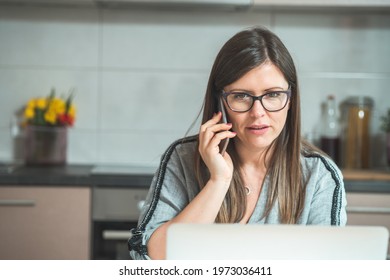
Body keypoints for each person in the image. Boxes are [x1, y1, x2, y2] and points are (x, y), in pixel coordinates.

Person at [128, 26, 347, 260]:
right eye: (241, 96)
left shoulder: (319, 176)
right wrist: (218, 181)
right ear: (220, 102)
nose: (258, 113)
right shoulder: (182, 158)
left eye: (272, 94)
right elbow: (146, 259)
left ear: (291, 99)